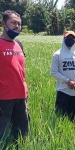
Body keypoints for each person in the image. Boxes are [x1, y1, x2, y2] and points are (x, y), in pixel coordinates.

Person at [0, 10, 29, 144]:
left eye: (19, 24)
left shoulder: (19, 44)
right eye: (13, 22)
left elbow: (21, 71)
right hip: (3, 98)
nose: (17, 26)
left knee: (22, 133)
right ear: (3, 24)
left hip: (21, 96)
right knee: (3, 134)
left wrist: (26, 92)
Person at [50, 31, 75, 122]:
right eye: (68, 38)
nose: (70, 40)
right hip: (63, 91)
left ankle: (72, 135)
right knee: (60, 118)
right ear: (64, 39)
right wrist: (67, 80)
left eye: (72, 38)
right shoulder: (57, 54)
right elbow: (53, 72)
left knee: (74, 119)